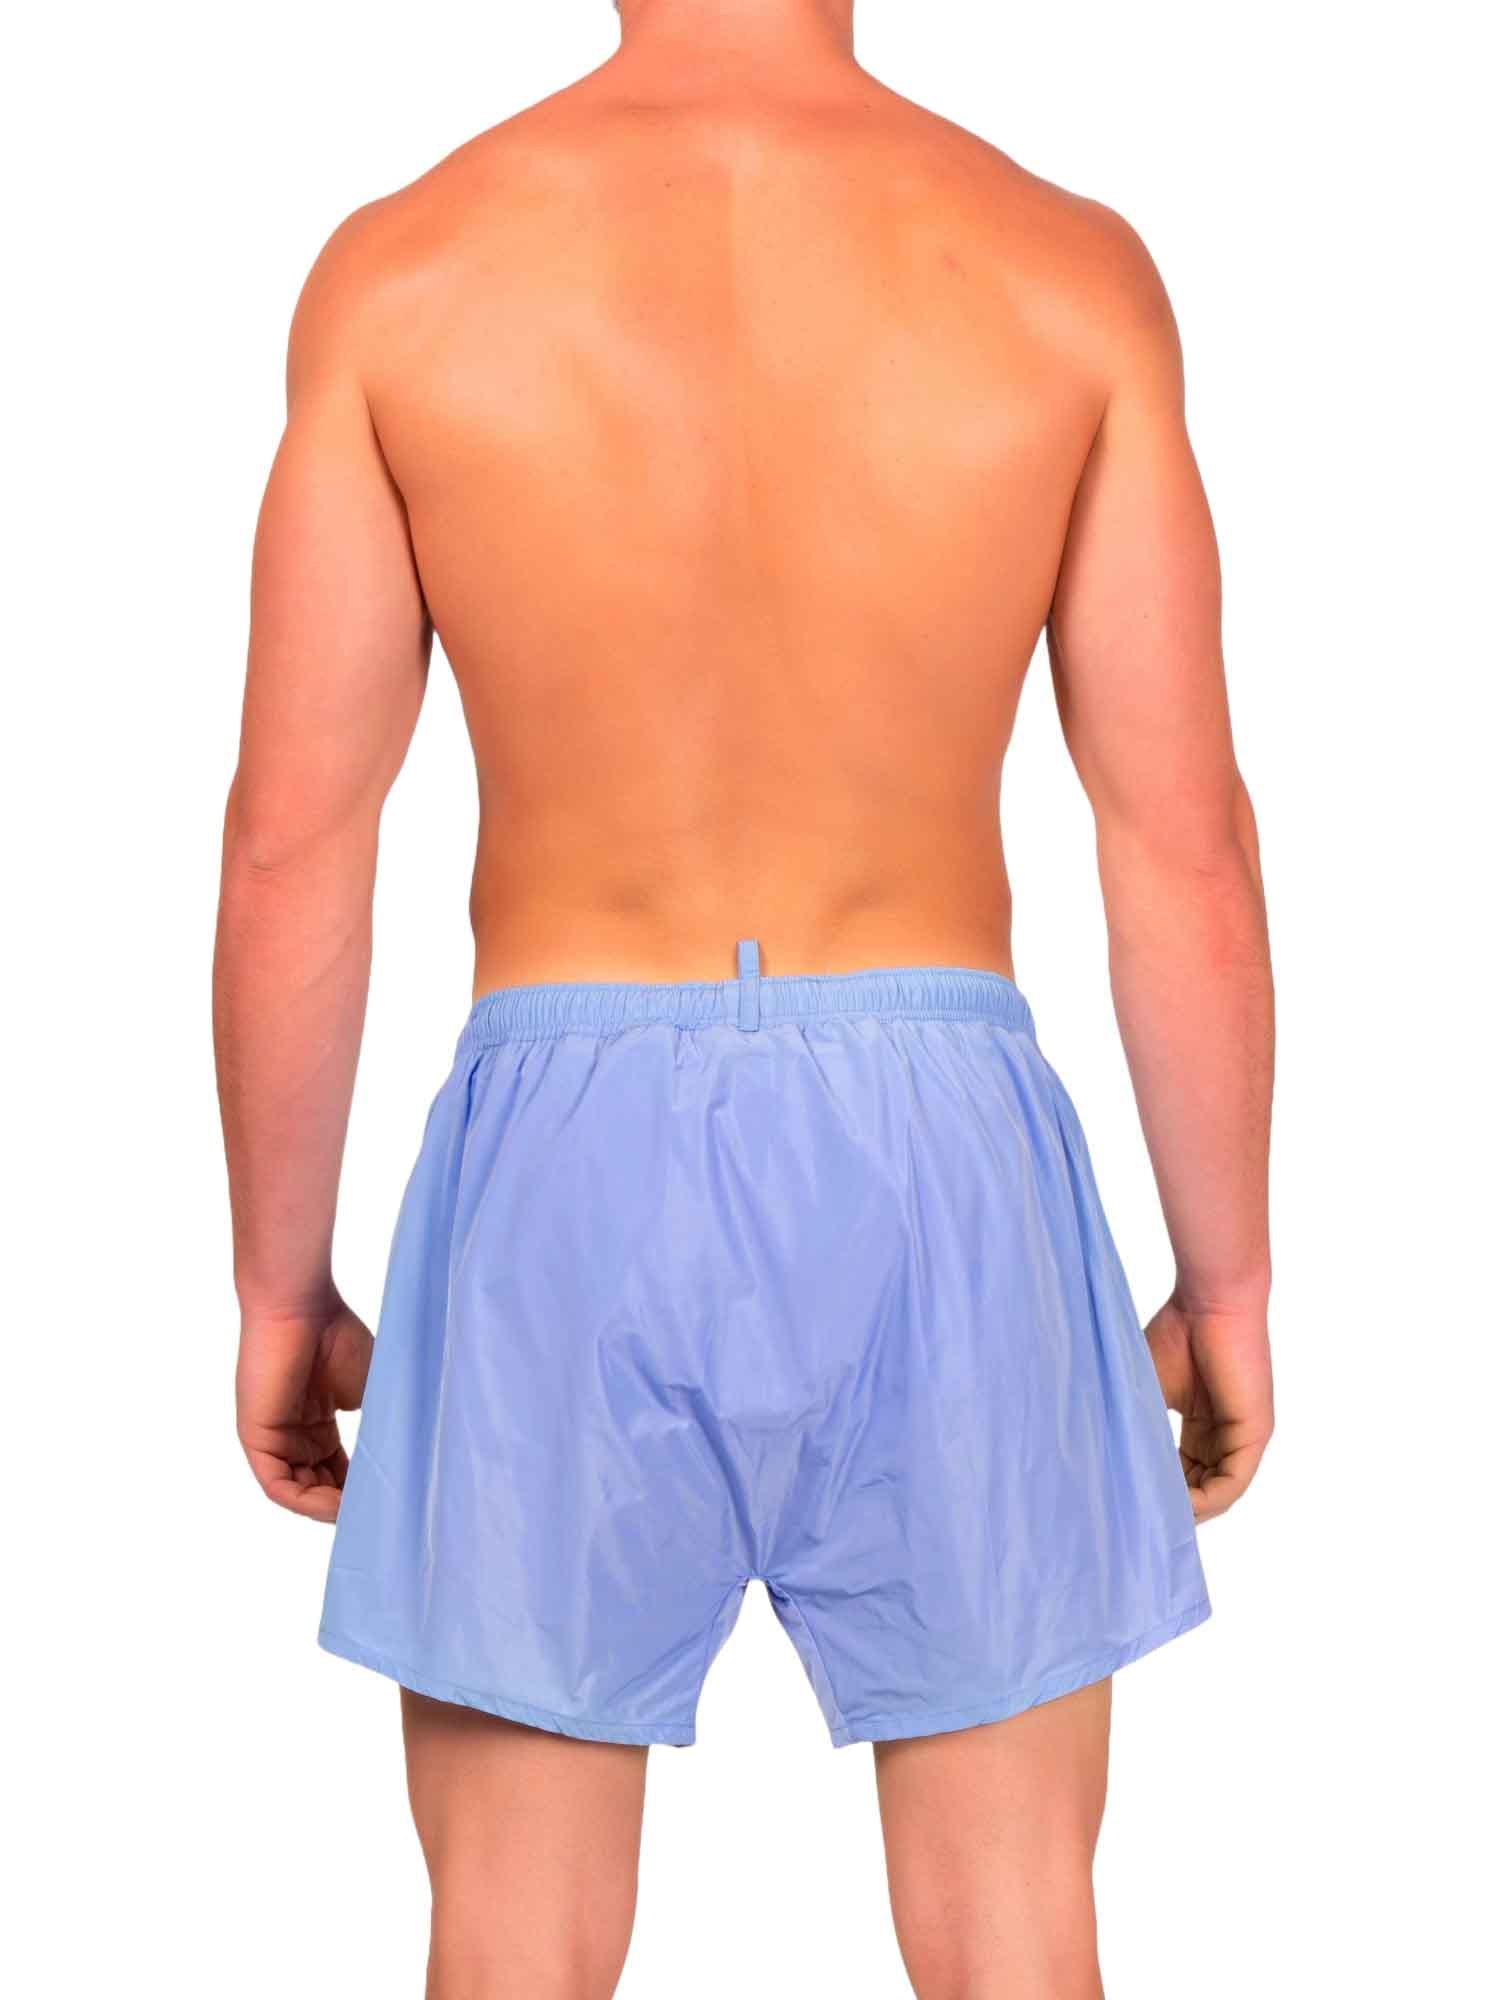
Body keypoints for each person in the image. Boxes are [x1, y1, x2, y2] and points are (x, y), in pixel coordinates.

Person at [213, 2, 1274, 1993]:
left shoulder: (408, 276)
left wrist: (283, 1291)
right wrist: (1227, 1289)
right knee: (1018, 1943)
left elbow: (294, 850)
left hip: (562, 1158)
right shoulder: (1062, 274)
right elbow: (1180, 844)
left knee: (512, 1947)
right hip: (945, 1149)